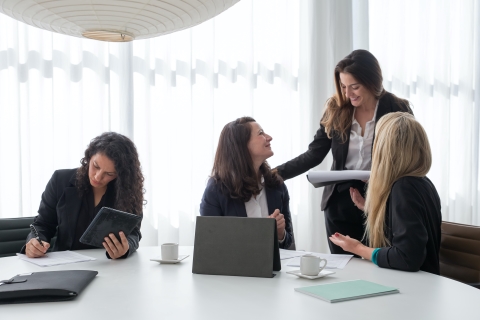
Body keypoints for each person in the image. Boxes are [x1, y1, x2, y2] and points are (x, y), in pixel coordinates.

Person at [274, 49, 412, 254]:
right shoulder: (336, 109)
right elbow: (314, 153)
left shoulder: (398, 109)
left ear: (372, 81)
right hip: (339, 201)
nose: (348, 94)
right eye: (343, 86)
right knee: (344, 267)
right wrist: (277, 173)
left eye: (354, 87)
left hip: (381, 198)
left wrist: (384, 176)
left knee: (380, 262)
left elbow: (408, 158)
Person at [329, 112, 442, 274]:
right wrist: (372, 209)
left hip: (415, 290)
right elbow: (411, 227)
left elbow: (407, 257)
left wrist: (358, 248)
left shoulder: (404, 188)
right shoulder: (422, 182)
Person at [22, 132, 145, 259]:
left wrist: (125, 248)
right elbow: (43, 224)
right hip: (64, 265)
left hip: (108, 264)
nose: (98, 176)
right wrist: (34, 242)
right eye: (95, 166)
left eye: (109, 173)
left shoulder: (128, 191)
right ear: (89, 157)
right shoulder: (60, 180)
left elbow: (133, 233)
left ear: (120, 175)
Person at [200, 117, 294, 249]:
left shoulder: (277, 185)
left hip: (273, 269)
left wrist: (280, 234)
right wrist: (260, 233)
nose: (269, 137)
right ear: (242, 145)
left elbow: (288, 242)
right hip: (233, 269)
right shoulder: (216, 189)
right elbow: (210, 244)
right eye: (261, 133)